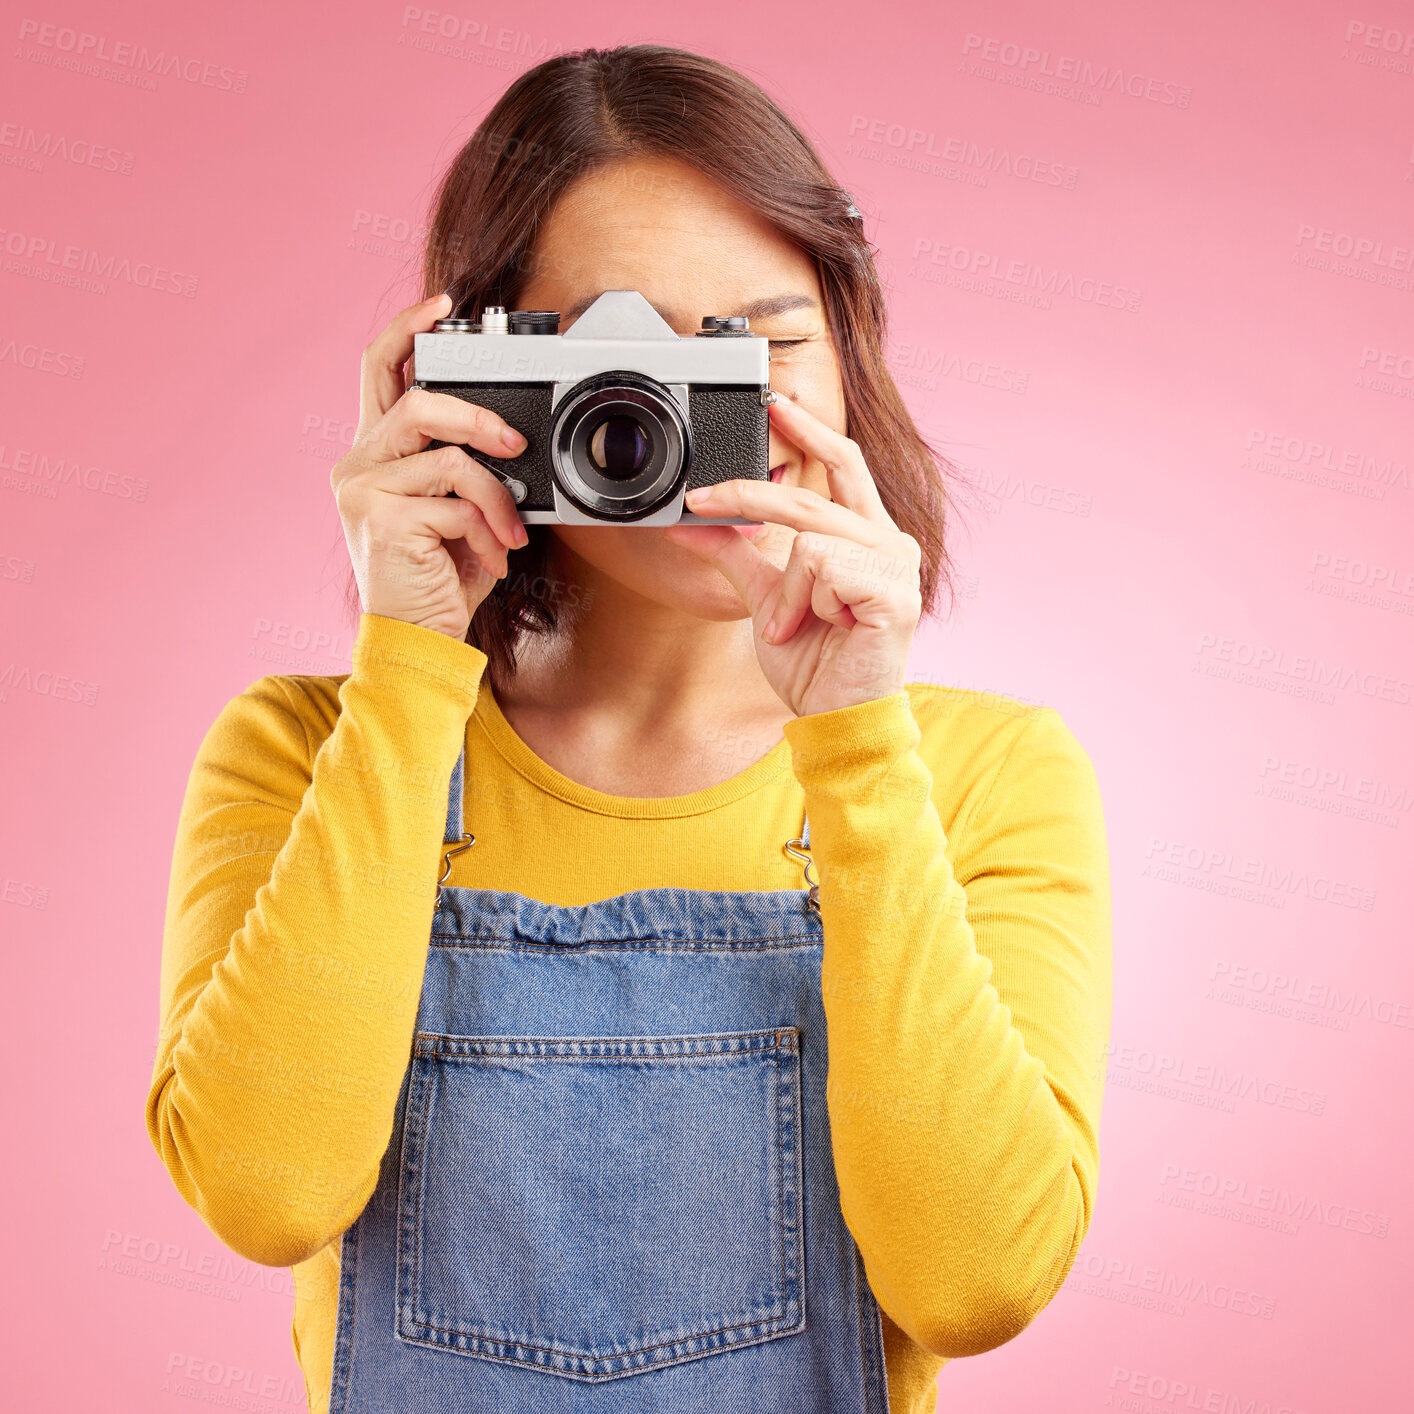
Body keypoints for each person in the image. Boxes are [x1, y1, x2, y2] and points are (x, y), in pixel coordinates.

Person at [145, 43, 1113, 1414]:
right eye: (625, 365)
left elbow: (974, 1280)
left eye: (760, 348)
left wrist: (853, 741)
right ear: (478, 384)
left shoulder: (982, 775)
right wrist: (410, 662)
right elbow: (265, 1189)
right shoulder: (309, 750)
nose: (692, 421)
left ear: (846, 355)